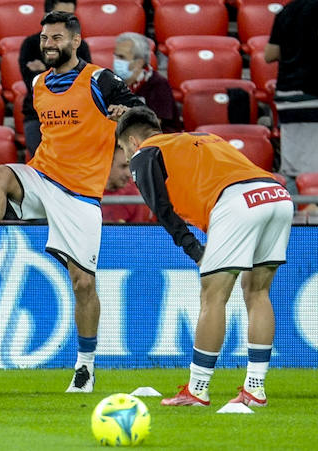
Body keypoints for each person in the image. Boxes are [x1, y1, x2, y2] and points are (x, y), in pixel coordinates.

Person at [0, 11, 145, 393]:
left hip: (81, 194)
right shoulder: (38, 83)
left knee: (83, 284)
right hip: (43, 177)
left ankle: (86, 367)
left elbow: (140, 108)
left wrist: (126, 112)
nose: (48, 44)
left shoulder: (99, 79)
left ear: (75, 41)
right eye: (44, 38)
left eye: (56, 38)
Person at [116, 108, 293, 409]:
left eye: (123, 148)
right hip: (275, 194)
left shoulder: (145, 153)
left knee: (213, 297)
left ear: (132, 140)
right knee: (258, 292)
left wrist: (195, 250)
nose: (127, 153)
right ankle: (255, 389)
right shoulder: (200, 137)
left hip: (235, 202)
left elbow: (162, 211)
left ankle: (197, 390)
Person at [264, 0, 318, 176]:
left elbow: (269, 55)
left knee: (292, 169)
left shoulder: (287, 10)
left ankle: (292, 208)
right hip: (316, 98)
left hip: (287, 100)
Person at [18, 0, 92, 157]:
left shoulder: (81, 45)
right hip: (38, 116)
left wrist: (45, 70)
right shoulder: (31, 45)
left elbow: (84, 83)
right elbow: (36, 85)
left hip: (75, 115)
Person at [113, 32, 180, 132]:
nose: (116, 61)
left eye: (122, 57)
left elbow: (154, 124)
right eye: (116, 56)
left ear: (139, 62)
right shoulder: (115, 83)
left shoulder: (158, 84)